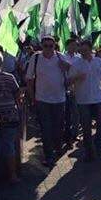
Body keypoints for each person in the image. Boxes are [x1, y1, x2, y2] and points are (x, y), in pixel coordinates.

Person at [26, 36, 70, 167]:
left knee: (58, 127)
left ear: (55, 46)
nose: (49, 48)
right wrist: (32, 96)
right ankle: (49, 155)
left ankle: (57, 147)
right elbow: (29, 79)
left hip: (59, 99)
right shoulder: (36, 58)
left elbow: (71, 73)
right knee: (45, 128)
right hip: (42, 99)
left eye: (51, 46)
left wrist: (67, 67)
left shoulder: (61, 57)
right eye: (46, 45)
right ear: (41, 46)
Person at [69, 40, 101, 161]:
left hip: (98, 97)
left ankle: (98, 145)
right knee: (86, 127)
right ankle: (89, 151)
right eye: (81, 51)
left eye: (86, 50)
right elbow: (68, 81)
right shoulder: (76, 63)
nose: (83, 53)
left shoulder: (98, 61)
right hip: (83, 100)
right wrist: (77, 77)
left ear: (90, 50)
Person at [0, 51, 22, 183]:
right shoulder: (9, 77)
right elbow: (17, 95)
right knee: (9, 145)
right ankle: (12, 175)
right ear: (1, 63)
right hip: (10, 115)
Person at [63, 38, 80, 148]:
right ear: (67, 46)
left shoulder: (79, 58)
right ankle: (66, 134)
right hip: (64, 87)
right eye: (72, 45)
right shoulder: (62, 57)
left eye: (75, 45)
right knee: (66, 113)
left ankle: (75, 133)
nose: (74, 47)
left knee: (76, 112)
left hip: (77, 88)